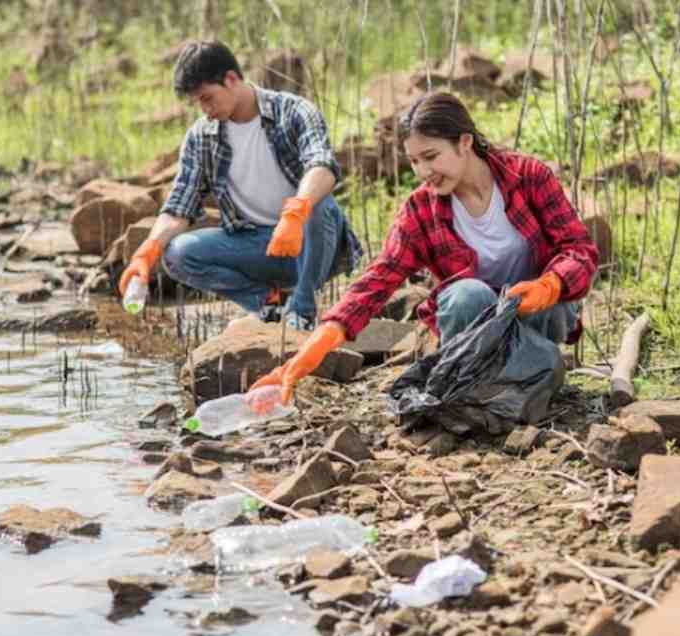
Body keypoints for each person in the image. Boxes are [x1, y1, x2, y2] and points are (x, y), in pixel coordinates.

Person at [252, 91, 599, 403]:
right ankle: (498, 380)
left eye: (431, 156)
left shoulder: (528, 176)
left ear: (465, 142)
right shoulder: (421, 210)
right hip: (474, 326)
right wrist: (310, 353)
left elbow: (579, 249)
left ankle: (519, 374)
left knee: (556, 304)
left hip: (536, 311)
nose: (423, 172)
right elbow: (377, 280)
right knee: (466, 295)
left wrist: (549, 285)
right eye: (414, 161)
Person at [118, 41, 362, 330]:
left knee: (320, 202)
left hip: (313, 244)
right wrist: (147, 251)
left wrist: (294, 215)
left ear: (232, 79)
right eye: (198, 103)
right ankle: (267, 303)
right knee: (177, 254)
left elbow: (322, 166)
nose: (205, 110)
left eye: (207, 98)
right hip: (258, 247)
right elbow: (179, 206)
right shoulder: (201, 137)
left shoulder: (294, 111)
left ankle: (302, 309)